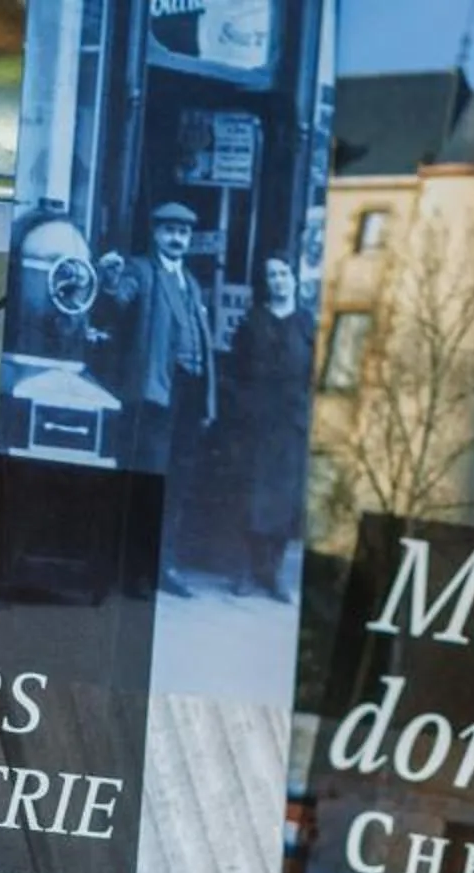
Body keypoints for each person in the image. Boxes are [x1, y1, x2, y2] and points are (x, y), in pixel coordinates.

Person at [95, 202, 219, 590]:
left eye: (183, 233)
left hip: (189, 394)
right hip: (155, 395)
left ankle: (162, 566)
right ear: (155, 233)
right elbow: (117, 301)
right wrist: (108, 278)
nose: (176, 239)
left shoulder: (191, 282)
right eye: (169, 231)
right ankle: (132, 568)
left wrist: (208, 397)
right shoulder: (141, 271)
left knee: (176, 483)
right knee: (147, 479)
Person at [217, 257, 310, 599]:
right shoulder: (252, 322)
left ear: (294, 278)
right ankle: (245, 570)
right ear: (265, 281)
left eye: (284, 273)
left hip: (291, 427)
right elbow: (234, 371)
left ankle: (272, 572)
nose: (278, 280)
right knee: (249, 496)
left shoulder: (306, 324)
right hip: (256, 425)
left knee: (284, 501)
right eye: (271, 274)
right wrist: (245, 408)